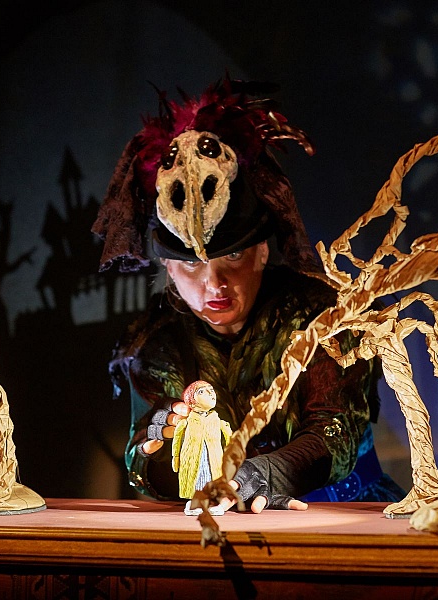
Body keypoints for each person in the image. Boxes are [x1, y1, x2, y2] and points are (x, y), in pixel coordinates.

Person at [92, 75, 406, 513]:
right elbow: (143, 463)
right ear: (169, 268)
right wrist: (161, 446)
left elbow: (334, 430)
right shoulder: (157, 343)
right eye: (192, 265)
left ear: (262, 252)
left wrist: (266, 474)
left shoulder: (322, 319)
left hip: (345, 516)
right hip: (226, 520)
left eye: (234, 255)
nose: (214, 283)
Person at [172, 380, 232, 515]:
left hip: (214, 458)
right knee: (195, 478)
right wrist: (175, 457)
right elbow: (177, 439)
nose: (210, 393)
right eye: (201, 391)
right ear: (191, 402)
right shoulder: (185, 423)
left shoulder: (218, 421)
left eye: (211, 389)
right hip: (192, 458)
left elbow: (230, 438)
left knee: (213, 477)